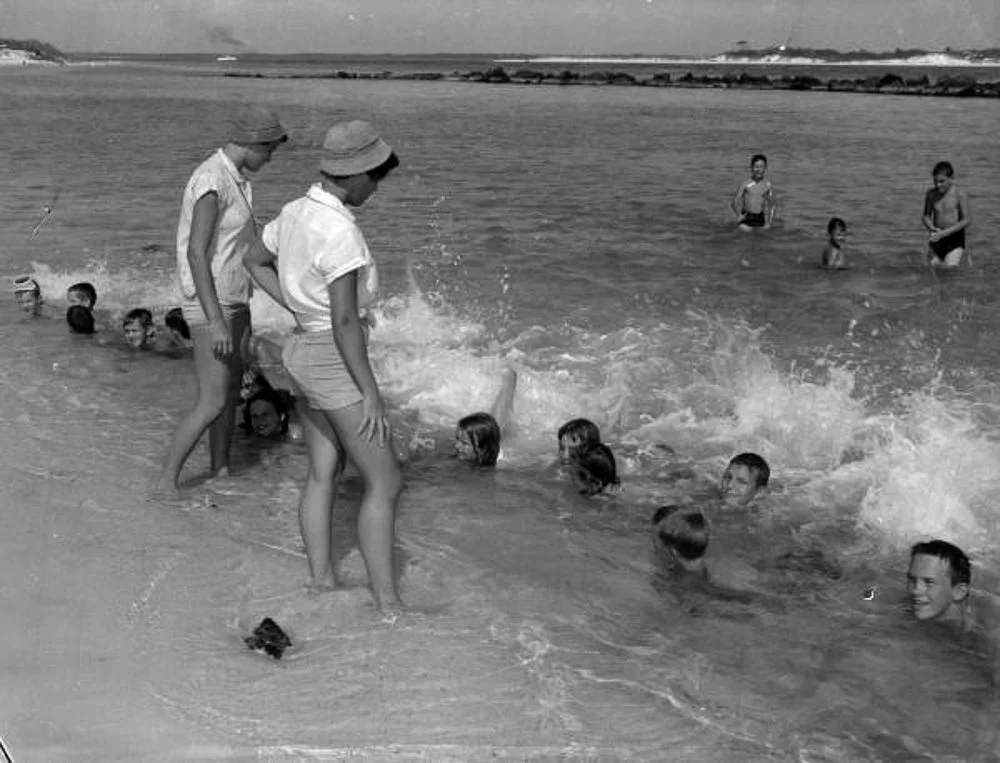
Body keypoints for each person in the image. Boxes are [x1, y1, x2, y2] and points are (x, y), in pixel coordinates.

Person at [244, 119, 402, 613]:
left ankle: (321, 582)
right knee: (386, 480)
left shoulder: (294, 211)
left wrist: (294, 309)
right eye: (375, 176)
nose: (377, 187)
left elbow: (253, 260)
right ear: (354, 174)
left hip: (302, 352)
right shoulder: (340, 232)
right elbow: (345, 322)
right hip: (332, 357)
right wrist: (370, 392)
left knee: (321, 472)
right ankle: (389, 604)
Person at [153, 105, 287, 497]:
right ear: (252, 143)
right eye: (270, 150)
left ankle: (220, 470)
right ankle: (164, 482)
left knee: (229, 395)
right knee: (211, 400)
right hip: (212, 303)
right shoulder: (211, 179)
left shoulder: (237, 179)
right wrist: (214, 321)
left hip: (233, 296)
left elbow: (239, 246)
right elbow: (196, 253)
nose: (271, 158)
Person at [651, 504, 761, 593]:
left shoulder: (687, 580)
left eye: (657, 539)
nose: (655, 543)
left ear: (673, 550)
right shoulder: (698, 562)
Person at [454, 367, 518, 467]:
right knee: (491, 426)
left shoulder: (499, 463)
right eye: (457, 439)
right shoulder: (467, 453)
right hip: (487, 445)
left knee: (496, 425)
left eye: (464, 444)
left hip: (493, 448)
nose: (457, 446)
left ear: (482, 450)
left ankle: (508, 381)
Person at [907, 539, 971, 624]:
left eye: (929, 582)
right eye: (912, 579)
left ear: (959, 592)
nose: (915, 590)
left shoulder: (977, 633)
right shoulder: (903, 610)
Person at [922, 161, 970, 269]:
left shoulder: (960, 194)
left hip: (954, 239)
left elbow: (967, 220)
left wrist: (945, 233)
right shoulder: (931, 194)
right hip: (937, 238)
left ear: (951, 178)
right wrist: (932, 228)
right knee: (931, 270)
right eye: (935, 181)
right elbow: (926, 216)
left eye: (941, 181)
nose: (938, 185)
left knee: (950, 270)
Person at [731, 154, 774, 230]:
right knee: (746, 237)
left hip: (760, 218)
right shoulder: (745, 183)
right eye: (756, 167)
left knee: (760, 239)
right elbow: (734, 202)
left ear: (765, 168)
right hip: (746, 217)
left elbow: (772, 205)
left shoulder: (768, 185)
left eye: (761, 167)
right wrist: (739, 215)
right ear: (751, 168)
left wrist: (769, 223)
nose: (758, 169)